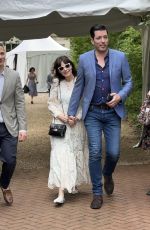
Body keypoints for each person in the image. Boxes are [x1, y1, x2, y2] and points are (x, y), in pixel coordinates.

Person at [68, 24, 133, 209]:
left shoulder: (120, 57)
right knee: (95, 151)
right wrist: (71, 113)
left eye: (105, 37)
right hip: (93, 113)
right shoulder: (84, 59)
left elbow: (128, 81)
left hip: (113, 113)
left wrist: (120, 95)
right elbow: (79, 87)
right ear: (92, 40)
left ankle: (108, 173)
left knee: (114, 153)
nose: (103, 41)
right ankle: (97, 193)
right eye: (99, 38)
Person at [48, 55, 90, 205]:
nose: (65, 69)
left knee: (75, 153)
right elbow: (52, 104)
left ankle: (73, 183)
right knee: (61, 156)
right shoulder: (56, 84)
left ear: (71, 65)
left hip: (77, 125)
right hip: (59, 125)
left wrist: (76, 118)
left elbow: (85, 103)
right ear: (58, 70)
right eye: (61, 67)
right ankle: (61, 193)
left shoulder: (81, 82)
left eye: (67, 65)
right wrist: (62, 117)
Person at [0, 43, 27, 206]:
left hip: (9, 126)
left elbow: (20, 103)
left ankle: (4, 184)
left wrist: (23, 127)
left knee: (10, 160)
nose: (0, 57)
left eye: (2, 53)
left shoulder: (14, 76)